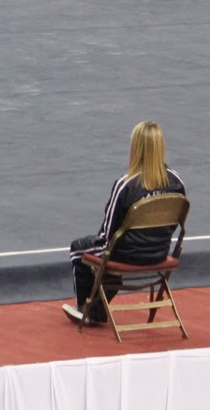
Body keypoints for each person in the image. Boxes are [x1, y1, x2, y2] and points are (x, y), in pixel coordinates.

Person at [65, 121, 186, 325]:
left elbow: (108, 234)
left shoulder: (126, 184)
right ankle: (99, 306)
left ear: (135, 148)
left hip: (127, 255)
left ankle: (87, 310)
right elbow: (175, 224)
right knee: (107, 251)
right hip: (158, 252)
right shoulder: (177, 182)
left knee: (79, 249)